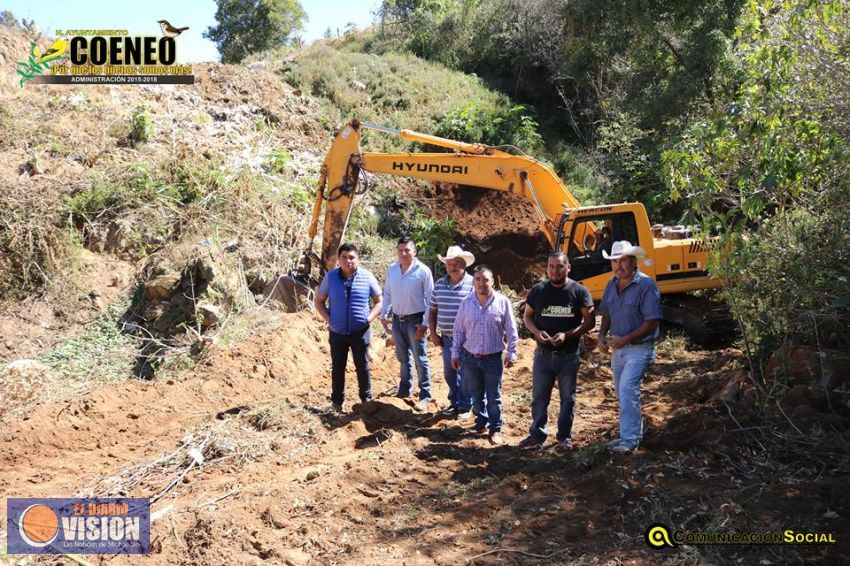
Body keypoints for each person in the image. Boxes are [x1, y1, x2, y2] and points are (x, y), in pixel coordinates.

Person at [520, 252, 595, 451]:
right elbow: (527, 316)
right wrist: (536, 332)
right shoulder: (538, 290)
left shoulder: (579, 291)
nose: (555, 270)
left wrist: (567, 335)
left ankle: (564, 438)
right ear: (547, 268)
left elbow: (590, 321)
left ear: (568, 267)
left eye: (560, 266)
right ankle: (536, 435)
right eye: (551, 266)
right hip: (543, 355)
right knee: (538, 397)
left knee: (567, 398)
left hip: (568, 355)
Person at [598, 240, 663, 453]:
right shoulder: (611, 284)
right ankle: (629, 434)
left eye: (623, 260)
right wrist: (601, 335)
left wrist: (626, 338)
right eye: (614, 261)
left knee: (627, 389)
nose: (618, 265)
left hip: (639, 348)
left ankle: (630, 441)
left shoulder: (646, 285)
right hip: (618, 349)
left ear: (634, 262)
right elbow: (607, 312)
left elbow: (652, 320)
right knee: (621, 392)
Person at [451, 265, 518, 445]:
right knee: (476, 395)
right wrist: (455, 353)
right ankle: (481, 420)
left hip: (493, 359)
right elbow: (458, 331)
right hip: (470, 358)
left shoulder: (502, 302)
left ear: (493, 282)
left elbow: (511, 329)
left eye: (485, 279)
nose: (482, 283)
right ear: (473, 282)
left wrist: (512, 352)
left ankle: (495, 428)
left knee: (493, 396)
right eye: (478, 279)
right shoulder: (466, 303)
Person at [314, 243, 383, 413]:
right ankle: (337, 402)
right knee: (338, 367)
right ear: (339, 259)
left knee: (363, 365)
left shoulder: (367, 277)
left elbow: (380, 301)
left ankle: (366, 400)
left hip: (360, 331)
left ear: (358, 259)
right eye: (344, 257)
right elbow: (319, 301)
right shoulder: (330, 278)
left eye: (352, 257)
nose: (348, 260)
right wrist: (329, 319)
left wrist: (369, 319)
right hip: (337, 333)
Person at [381, 237, 435, 411]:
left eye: (407, 250)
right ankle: (405, 389)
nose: (403, 254)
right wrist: (384, 314)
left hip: (416, 320)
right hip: (397, 320)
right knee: (402, 357)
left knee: (420, 358)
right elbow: (387, 293)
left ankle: (425, 395)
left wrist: (425, 324)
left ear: (414, 252)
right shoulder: (392, 269)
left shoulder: (423, 271)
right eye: (400, 250)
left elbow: (431, 299)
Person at [428, 245, 475, 420]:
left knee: (465, 373)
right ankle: (454, 402)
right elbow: (432, 310)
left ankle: (465, 405)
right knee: (450, 373)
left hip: (467, 339)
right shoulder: (439, 285)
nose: (452, 267)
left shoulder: (473, 284)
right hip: (447, 338)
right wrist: (433, 333)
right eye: (450, 263)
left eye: (456, 263)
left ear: (464, 265)